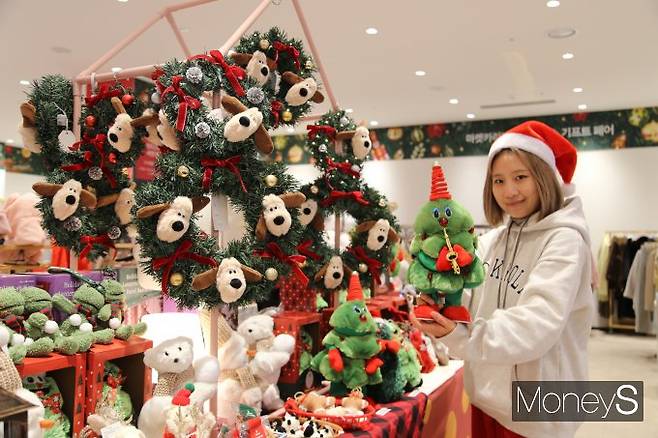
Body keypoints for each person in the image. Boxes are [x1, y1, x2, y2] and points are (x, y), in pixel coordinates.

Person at [410, 120, 594, 437]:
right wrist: (439, 300)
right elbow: (464, 287)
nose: (509, 191)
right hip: (487, 395)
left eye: (520, 177)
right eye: (498, 180)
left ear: (545, 178)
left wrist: (461, 336)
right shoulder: (494, 239)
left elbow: (536, 325)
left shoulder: (565, 241)